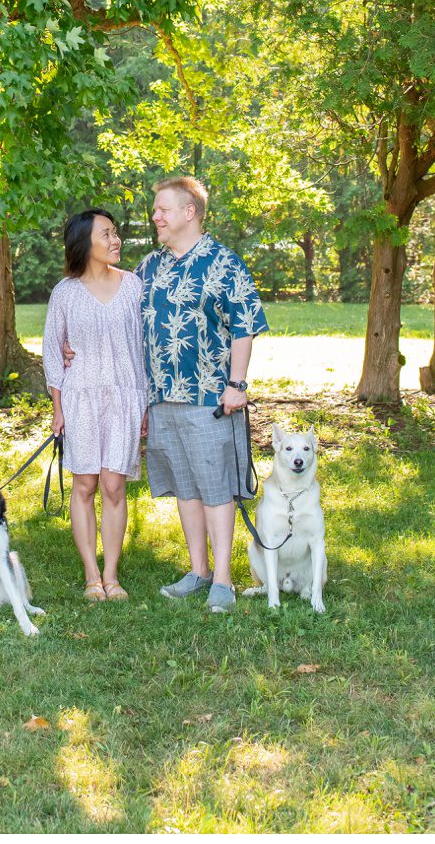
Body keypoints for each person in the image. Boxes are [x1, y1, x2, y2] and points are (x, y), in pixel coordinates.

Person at [137, 174, 269, 614]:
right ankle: (199, 570)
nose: (155, 216)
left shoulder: (222, 263)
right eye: (155, 209)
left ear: (188, 212)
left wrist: (237, 384)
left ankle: (225, 582)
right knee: (186, 487)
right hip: (161, 397)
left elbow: (245, 324)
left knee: (215, 488)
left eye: (163, 209)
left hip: (210, 399)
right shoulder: (151, 266)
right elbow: (119, 310)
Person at [41, 208, 150, 601]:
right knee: (85, 484)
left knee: (115, 485)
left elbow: (144, 348)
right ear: (85, 243)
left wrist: (147, 404)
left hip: (125, 395)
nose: (115, 240)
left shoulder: (135, 286)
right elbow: (53, 351)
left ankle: (112, 574)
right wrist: (58, 408)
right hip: (80, 397)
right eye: (106, 234)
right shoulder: (65, 293)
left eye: (115, 232)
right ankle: (91, 576)